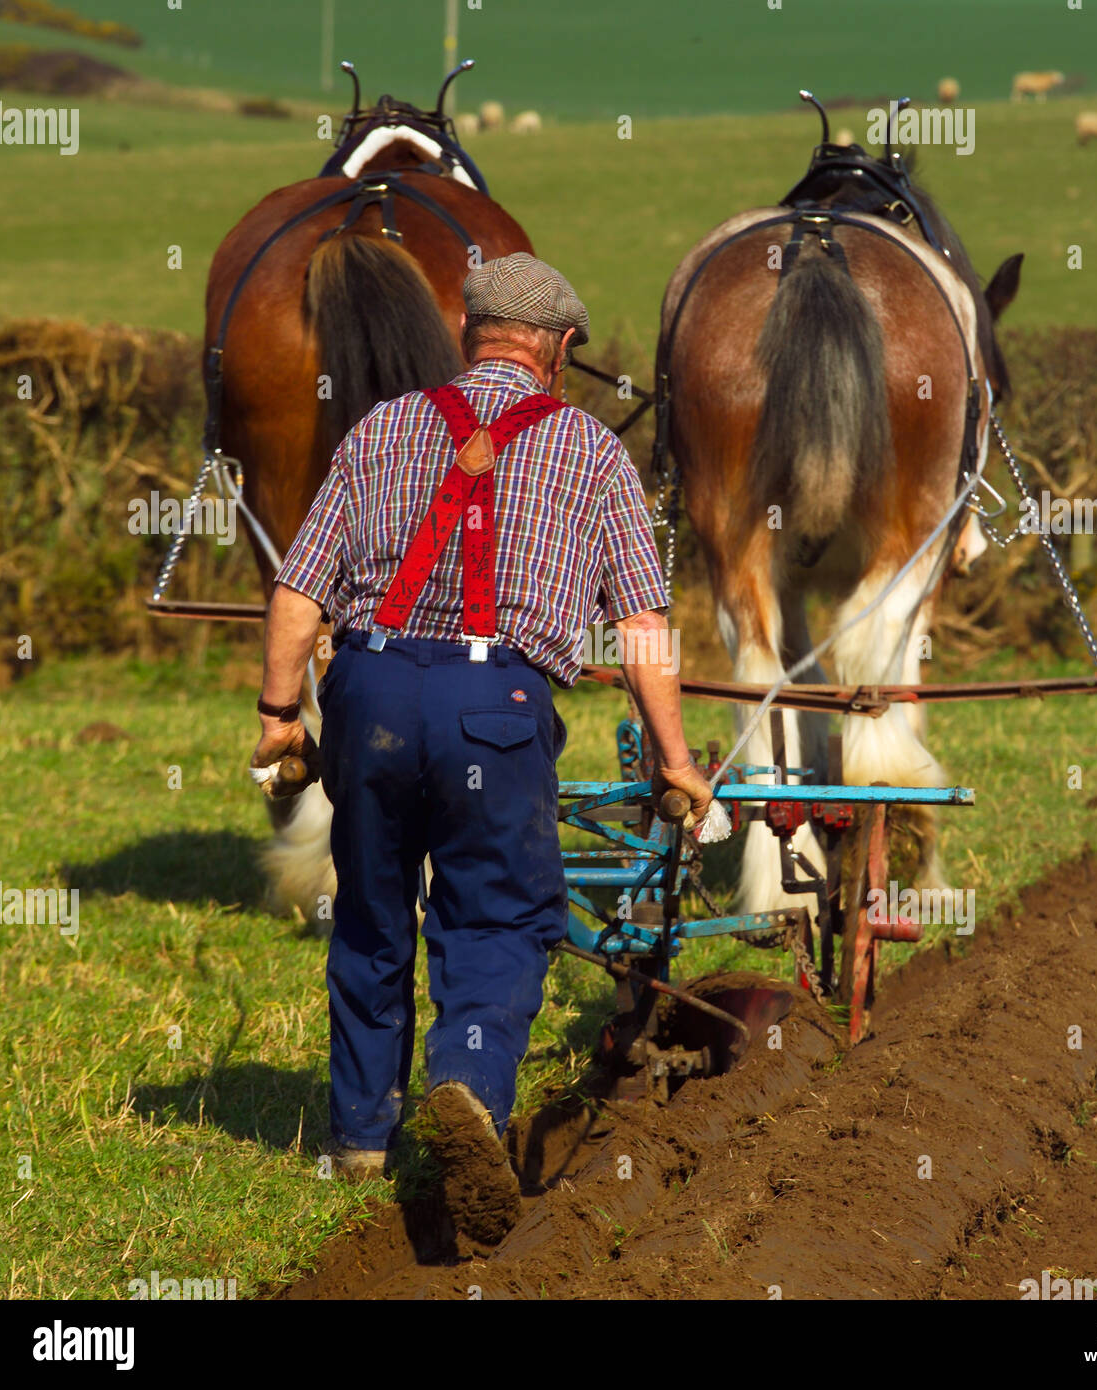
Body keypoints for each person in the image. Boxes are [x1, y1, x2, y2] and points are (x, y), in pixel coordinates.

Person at [251, 251, 712, 1243]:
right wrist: (673, 759)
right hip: (491, 703)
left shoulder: (382, 425)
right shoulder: (590, 451)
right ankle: (463, 1077)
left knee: (371, 916)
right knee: (498, 917)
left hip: (366, 692)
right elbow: (639, 629)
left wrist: (278, 716)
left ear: (465, 332)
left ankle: (359, 1142)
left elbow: (296, 598)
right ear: (559, 350)